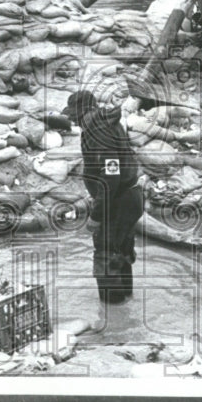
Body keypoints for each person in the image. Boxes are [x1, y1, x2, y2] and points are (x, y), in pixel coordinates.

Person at [62, 89, 143, 305]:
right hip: (128, 197)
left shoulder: (97, 130)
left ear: (81, 113)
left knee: (106, 255)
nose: (73, 121)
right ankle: (126, 304)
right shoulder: (105, 124)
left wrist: (97, 215)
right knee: (122, 252)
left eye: (74, 116)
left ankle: (114, 320)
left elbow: (110, 177)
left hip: (119, 201)